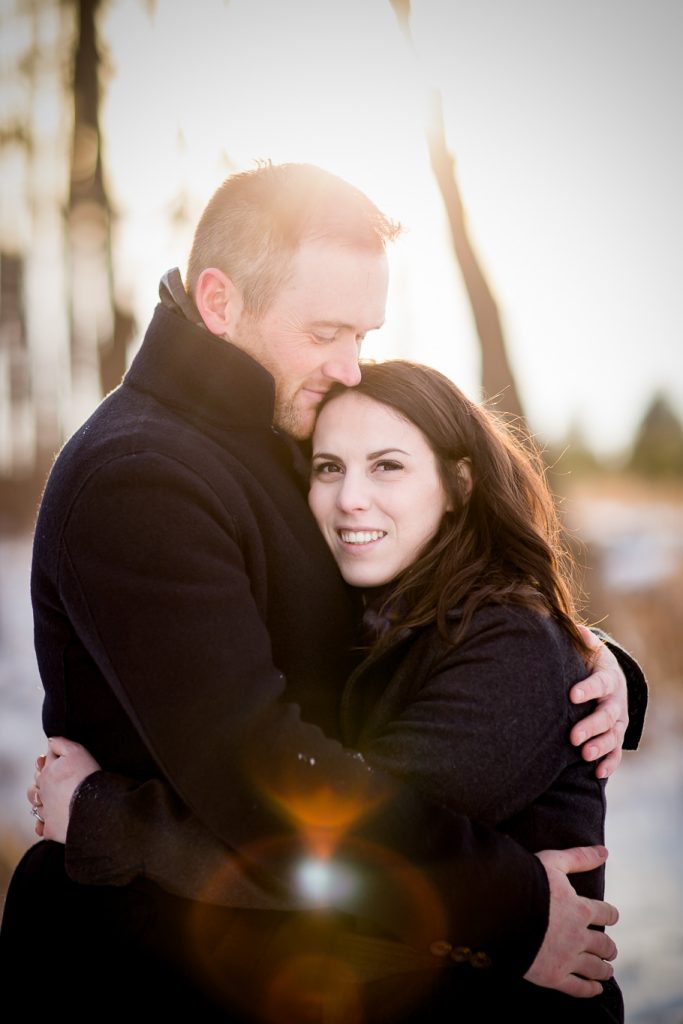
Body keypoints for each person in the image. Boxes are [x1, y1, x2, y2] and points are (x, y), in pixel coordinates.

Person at [0, 163, 645, 1020]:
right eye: (326, 333)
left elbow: (418, 624)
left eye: (363, 336)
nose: (349, 369)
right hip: (153, 968)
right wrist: (513, 909)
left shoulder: (285, 431)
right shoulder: (141, 479)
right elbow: (265, 781)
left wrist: (587, 667)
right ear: (222, 303)